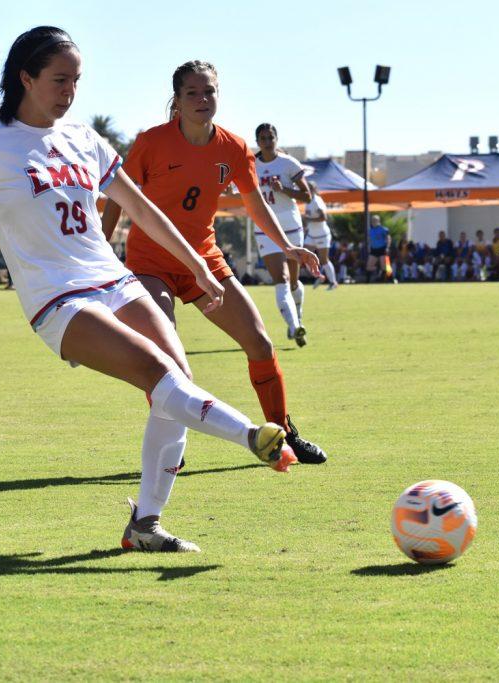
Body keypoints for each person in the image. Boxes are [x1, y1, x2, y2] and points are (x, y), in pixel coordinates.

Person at [0, 27, 298, 554]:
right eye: (59, 79)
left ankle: (145, 525)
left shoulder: (84, 138)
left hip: (112, 279)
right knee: (158, 377)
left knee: (177, 379)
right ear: (26, 78)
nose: (69, 91)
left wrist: (195, 264)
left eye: (76, 81)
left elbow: (143, 211)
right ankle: (253, 436)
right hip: (56, 300)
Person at [100, 60, 328, 466]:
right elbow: (118, 198)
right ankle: (170, 445)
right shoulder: (150, 142)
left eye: (209, 92)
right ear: (178, 99)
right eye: (192, 93)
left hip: (206, 259)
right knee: (165, 354)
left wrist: (287, 247)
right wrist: (100, 251)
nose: (202, 99)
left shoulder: (235, 148)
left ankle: (282, 435)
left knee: (259, 341)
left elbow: (254, 203)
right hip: (151, 262)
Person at [252, 123, 312, 340]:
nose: (267, 143)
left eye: (270, 138)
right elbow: (241, 192)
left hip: (291, 226)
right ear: (257, 142)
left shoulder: (288, 164)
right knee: (282, 279)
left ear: (276, 139)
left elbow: (307, 196)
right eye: (263, 139)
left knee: (294, 281)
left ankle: (298, 317)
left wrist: (284, 190)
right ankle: (295, 327)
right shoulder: (251, 165)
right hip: (265, 228)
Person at [303, 181, 338, 290]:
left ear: (313, 189)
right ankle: (320, 276)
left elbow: (323, 217)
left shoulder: (317, 201)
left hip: (322, 235)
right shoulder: (307, 200)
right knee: (305, 257)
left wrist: (308, 219)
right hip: (311, 235)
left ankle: (333, 282)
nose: (306, 189)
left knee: (324, 260)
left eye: (309, 188)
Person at [366, 215, 390, 282]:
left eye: (375, 220)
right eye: (372, 220)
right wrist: (369, 246)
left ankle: (384, 281)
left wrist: (387, 247)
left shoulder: (383, 229)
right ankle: (367, 282)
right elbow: (369, 239)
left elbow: (388, 238)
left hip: (382, 249)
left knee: (384, 266)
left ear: (378, 221)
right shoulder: (370, 230)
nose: (373, 222)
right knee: (369, 266)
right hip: (374, 250)